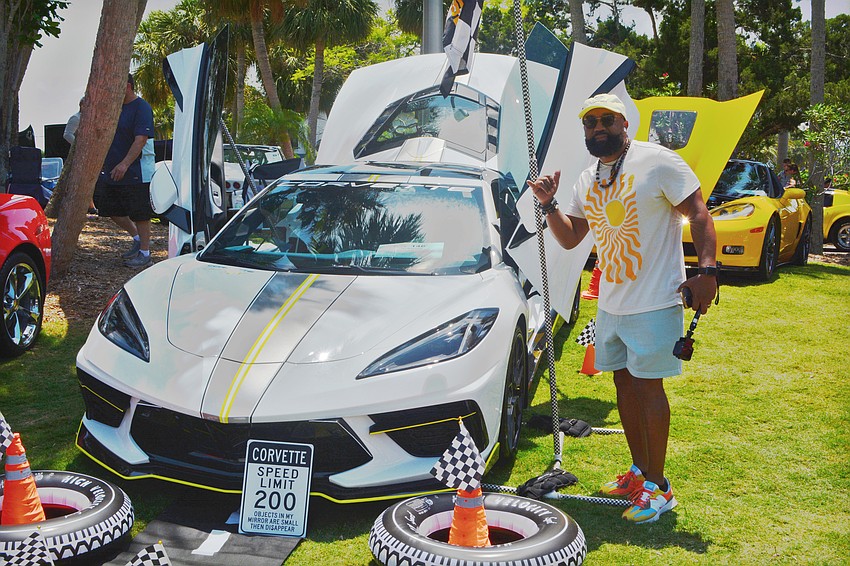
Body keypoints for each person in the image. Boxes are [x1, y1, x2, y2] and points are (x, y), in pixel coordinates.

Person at [528, 93, 718, 524]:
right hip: (611, 303)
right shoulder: (587, 179)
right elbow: (571, 237)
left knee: (649, 389)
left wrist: (708, 270)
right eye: (590, 122)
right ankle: (639, 470)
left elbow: (699, 213)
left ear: (624, 122)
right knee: (624, 386)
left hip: (655, 301)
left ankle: (659, 487)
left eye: (606, 120)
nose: (598, 128)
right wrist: (549, 204)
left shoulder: (658, 161)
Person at [94, 74, 155, 268]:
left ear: (127, 86)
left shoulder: (141, 107)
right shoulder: (113, 108)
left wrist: (125, 164)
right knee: (107, 207)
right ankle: (136, 238)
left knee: (140, 213)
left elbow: (141, 140)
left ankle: (145, 252)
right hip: (110, 170)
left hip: (136, 170)